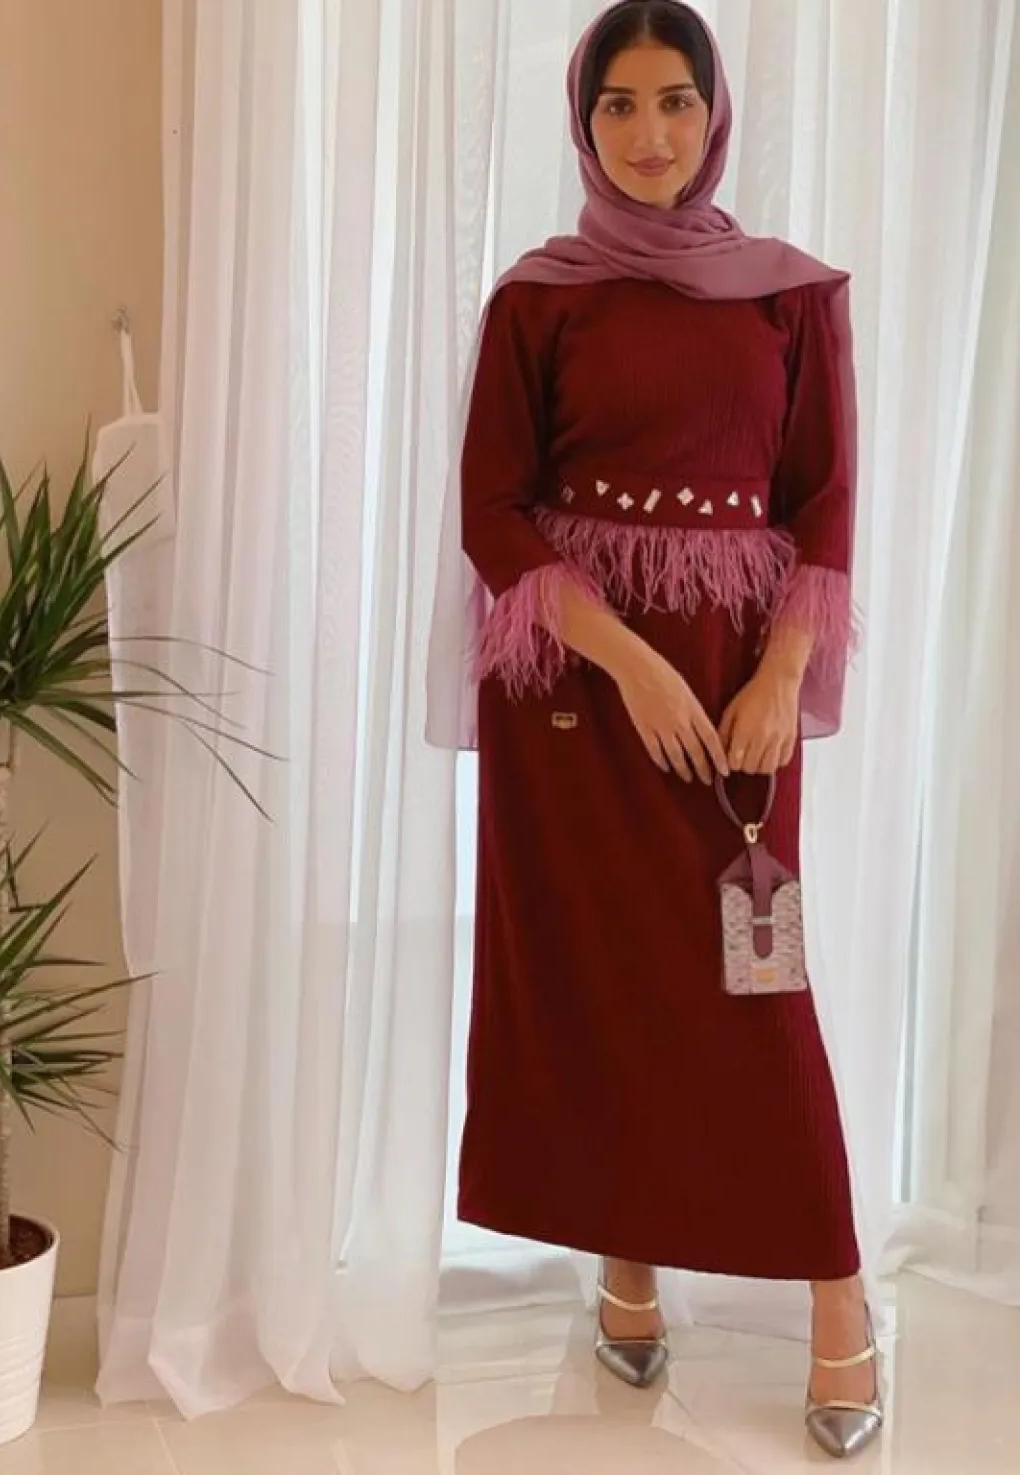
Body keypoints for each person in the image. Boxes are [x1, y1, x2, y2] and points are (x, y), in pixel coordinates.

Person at [426, 0, 881, 1461]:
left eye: (674, 101)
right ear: (583, 123)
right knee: (602, 984)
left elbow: (824, 502)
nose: (649, 134)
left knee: (754, 988)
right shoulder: (538, 299)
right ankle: (625, 1265)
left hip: (737, 689)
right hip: (581, 693)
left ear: (714, 111)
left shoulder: (790, 295)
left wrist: (779, 673)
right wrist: (629, 664)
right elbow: (493, 508)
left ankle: (842, 1298)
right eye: (617, 106)